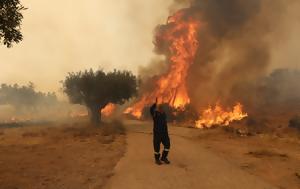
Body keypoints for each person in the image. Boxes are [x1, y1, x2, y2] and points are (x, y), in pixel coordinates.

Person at [150, 98, 170, 165]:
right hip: (157, 134)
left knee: (167, 145)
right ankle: (157, 159)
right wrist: (155, 104)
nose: (161, 109)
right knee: (157, 148)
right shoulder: (155, 114)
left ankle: (163, 157)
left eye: (162, 108)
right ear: (158, 109)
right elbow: (151, 110)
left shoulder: (164, 114)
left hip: (164, 133)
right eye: (160, 108)